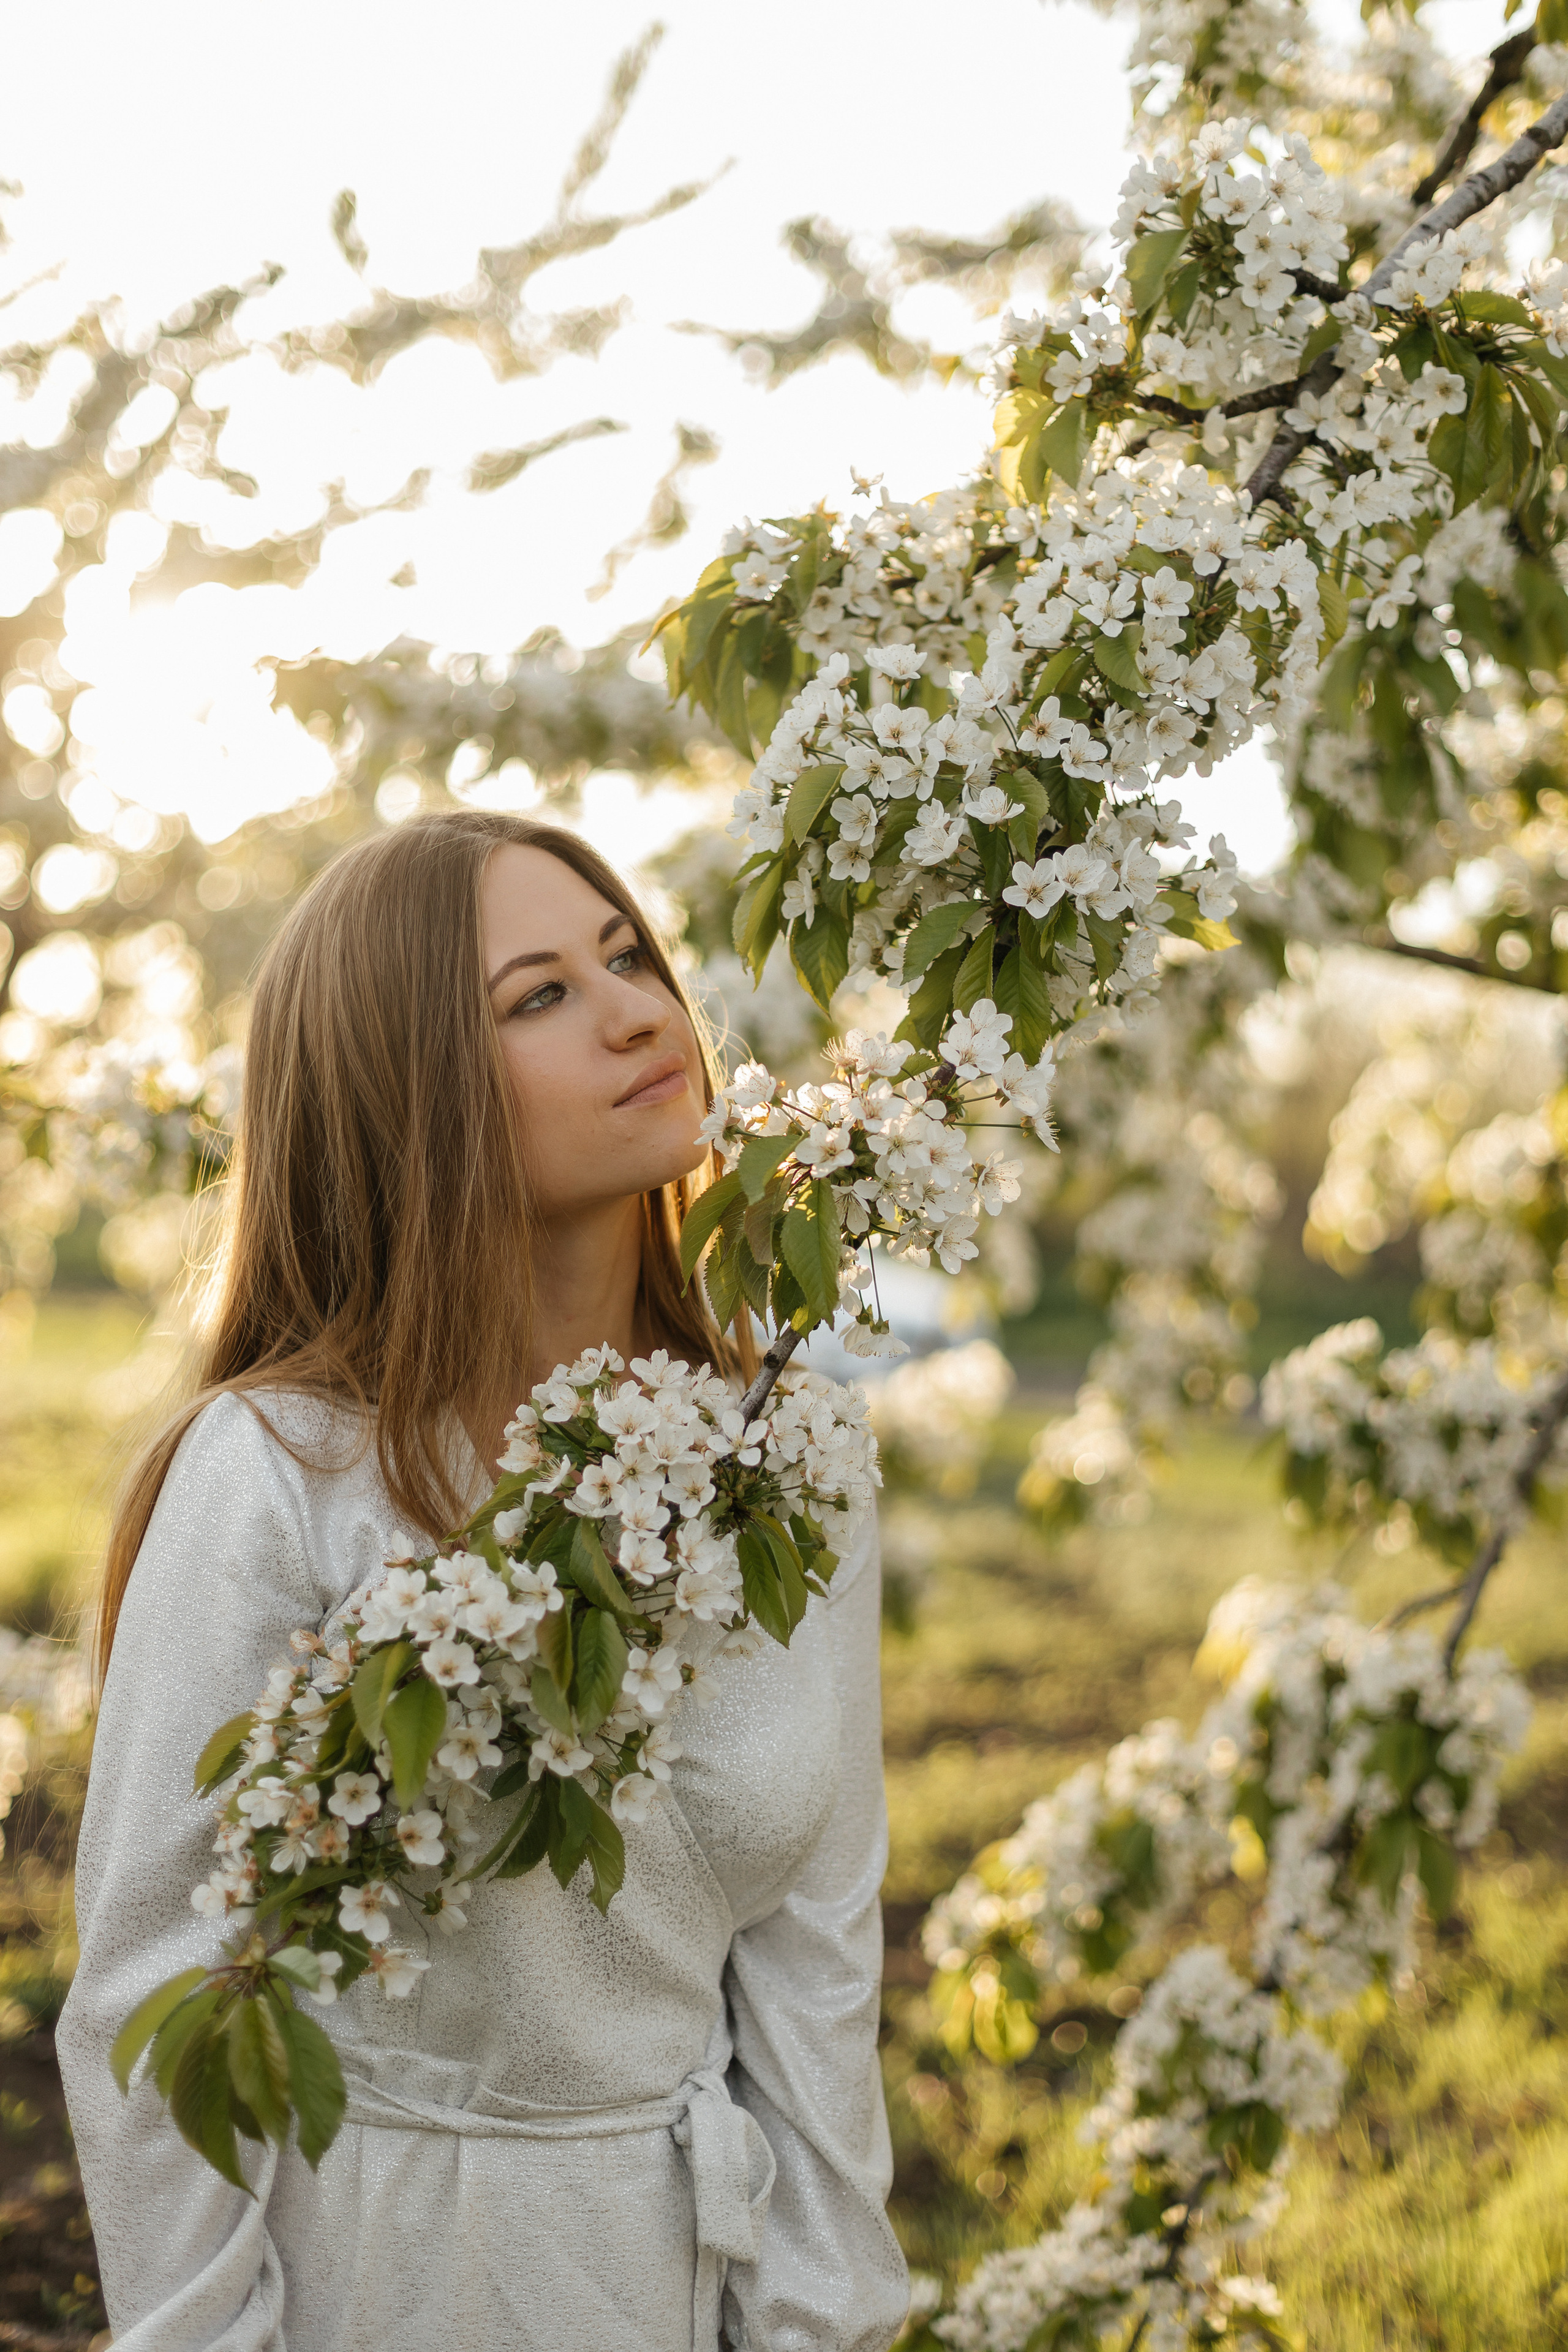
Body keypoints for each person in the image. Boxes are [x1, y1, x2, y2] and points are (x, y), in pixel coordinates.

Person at [57, 811, 908, 2352]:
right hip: (386, 2270)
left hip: (680, 2274)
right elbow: (154, 1990)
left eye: (626, 956)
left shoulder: (789, 1462)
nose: (636, 1012)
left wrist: (817, 2327)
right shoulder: (283, 1473)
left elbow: (818, 1968)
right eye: (539, 996)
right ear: (409, 1094)